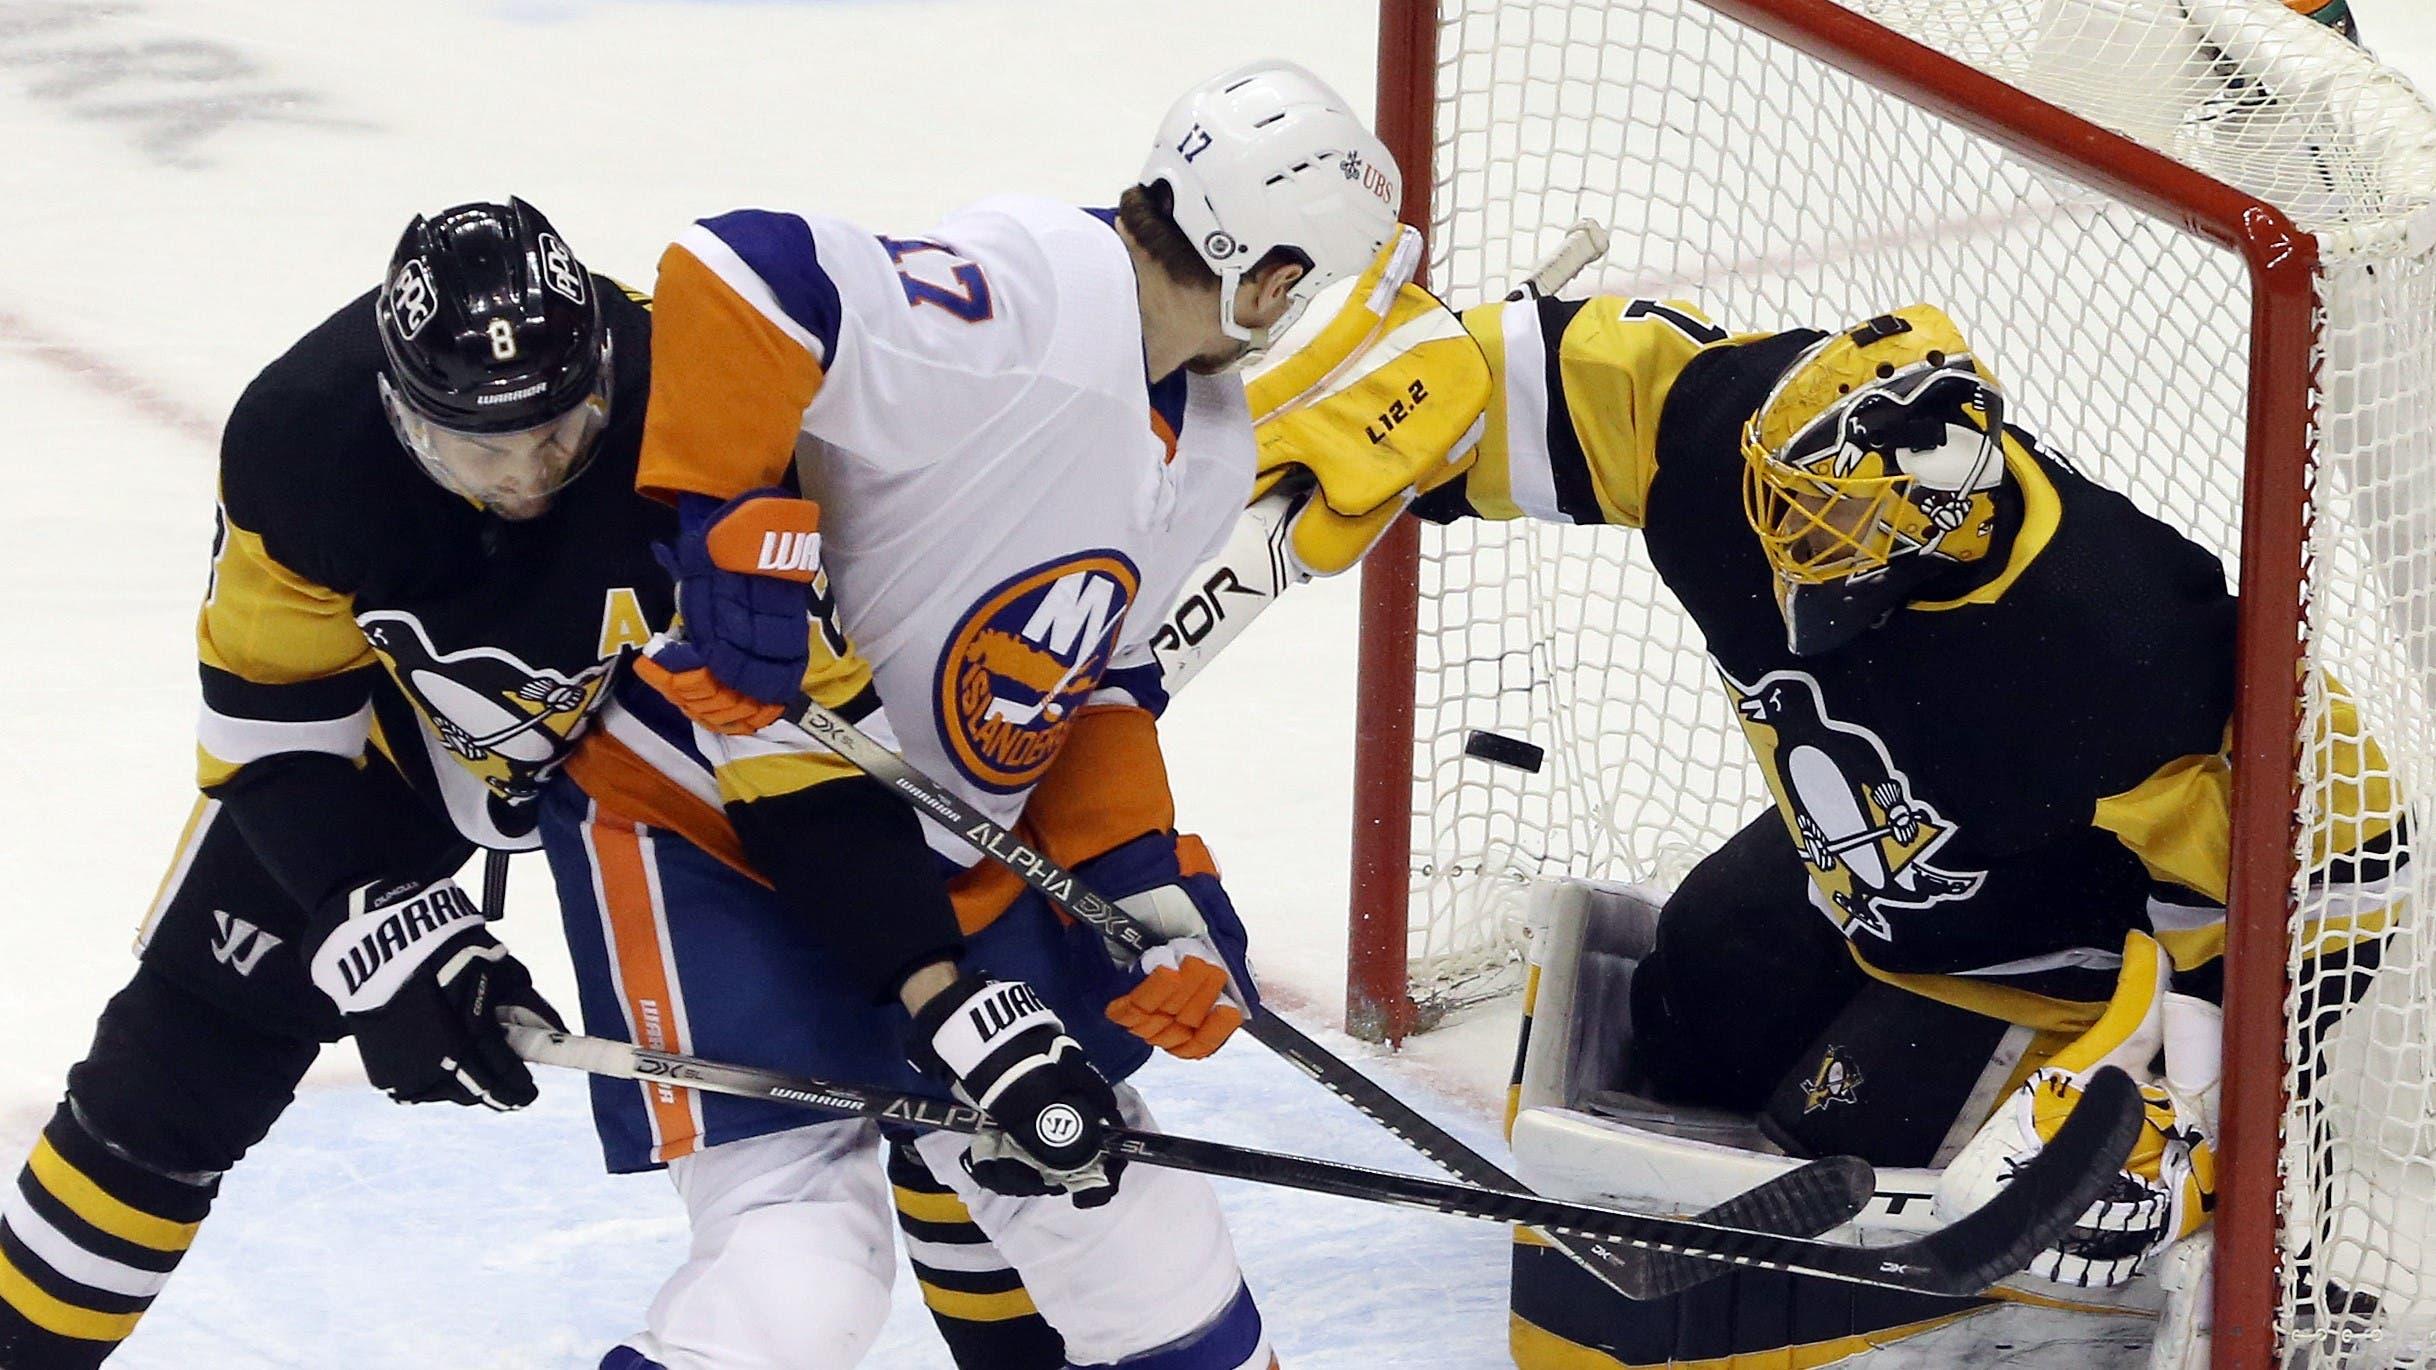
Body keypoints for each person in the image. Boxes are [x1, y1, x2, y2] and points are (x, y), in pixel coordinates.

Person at [537, 60, 1403, 1370]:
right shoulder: (1038, 292)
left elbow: (1092, 682)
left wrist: (1138, 888)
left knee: (1146, 1239)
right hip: (708, 808)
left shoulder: (1211, 438)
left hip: (935, 849)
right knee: (799, 1280)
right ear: (1271, 278)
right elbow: (741, 268)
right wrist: (726, 524)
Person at [0, 199, 670, 1369]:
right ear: (403, 411)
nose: (527, 479)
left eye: (558, 437)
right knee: (175, 1075)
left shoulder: (702, 376)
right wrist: (382, 916)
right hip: (411, 739)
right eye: (481, 449)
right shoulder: (305, 441)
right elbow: (271, 733)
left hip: (682, 729)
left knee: (911, 995)